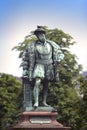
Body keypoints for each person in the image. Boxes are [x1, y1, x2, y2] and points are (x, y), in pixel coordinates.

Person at [22, 26, 64, 108]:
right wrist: (25, 69)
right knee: (37, 82)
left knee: (46, 84)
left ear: (44, 34)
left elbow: (60, 53)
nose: (39, 35)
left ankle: (44, 102)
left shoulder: (52, 45)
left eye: (41, 33)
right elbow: (26, 58)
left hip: (49, 66)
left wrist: (59, 58)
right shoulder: (31, 46)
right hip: (39, 65)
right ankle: (36, 102)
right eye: (38, 34)